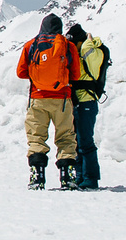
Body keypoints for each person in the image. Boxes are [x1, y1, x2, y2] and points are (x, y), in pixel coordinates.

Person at [15, 14, 83, 189]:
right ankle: (67, 177)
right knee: (66, 137)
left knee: (36, 137)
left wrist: (37, 74)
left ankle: (37, 177)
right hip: (62, 99)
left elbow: (21, 72)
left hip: (38, 99)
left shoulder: (31, 45)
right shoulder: (68, 46)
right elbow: (76, 74)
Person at [67, 22, 109, 189]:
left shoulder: (89, 50)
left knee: (85, 141)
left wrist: (88, 42)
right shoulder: (84, 49)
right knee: (77, 141)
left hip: (86, 101)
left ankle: (90, 179)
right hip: (79, 101)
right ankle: (81, 176)